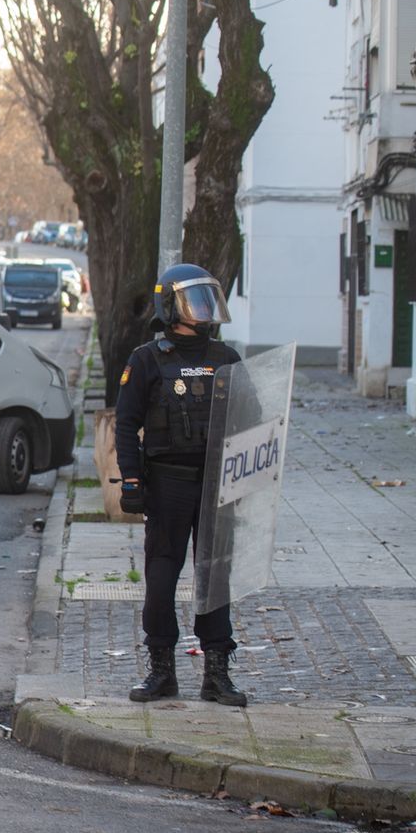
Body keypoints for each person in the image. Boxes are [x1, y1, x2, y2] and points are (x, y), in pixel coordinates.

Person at [115, 263, 246, 707]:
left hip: (215, 486)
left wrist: (248, 478)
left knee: (215, 579)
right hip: (168, 484)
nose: (205, 310)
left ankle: (216, 674)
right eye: (195, 300)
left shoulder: (227, 359)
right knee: (161, 577)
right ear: (170, 305)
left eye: (209, 299)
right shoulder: (147, 360)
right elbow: (127, 424)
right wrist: (131, 480)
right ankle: (161, 672)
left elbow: (252, 420)